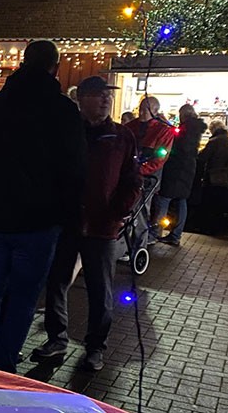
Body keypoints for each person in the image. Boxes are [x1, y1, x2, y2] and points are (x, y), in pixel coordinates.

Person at [0, 40, 86, 373]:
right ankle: (4, 363)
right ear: (55, 68)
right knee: (23, 296)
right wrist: (70, 217)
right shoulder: (62, 110)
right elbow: (74, 170)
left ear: (22, 63)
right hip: (39, 221)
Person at [33, 76, 141, 372]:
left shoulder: (121, 136)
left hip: (102, 226)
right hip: (66, 223)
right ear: (80, 99)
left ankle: (95, 347)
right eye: (98, 94)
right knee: (56, 282)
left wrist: (117, 212)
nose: (106, 99)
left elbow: (133, 179)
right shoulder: (66, 133)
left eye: (108, 94)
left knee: (100, 289)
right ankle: (57, 338)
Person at [150, 105, 207, 246]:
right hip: (188, 170)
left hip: (176, 169)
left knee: (164, 199)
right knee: (182, 201)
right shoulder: (194, 128)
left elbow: (178, 143)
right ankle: (176, 234)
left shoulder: (186, 129)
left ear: (183, 115)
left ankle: (155, 233)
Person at [123, 96, 175, 251]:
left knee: (141, 210)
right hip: (129, 174)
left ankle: (138, 246)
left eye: (146, 109)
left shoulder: (163, 130)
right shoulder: (131, 127)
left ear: (155, 111)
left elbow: (159, 159)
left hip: (147, 178)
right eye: (140, 108)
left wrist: (139, 169)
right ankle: (123, 244)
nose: (141, 112)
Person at [195, 121, 228, 234]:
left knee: (209, 203)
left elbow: (203, 157)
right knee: (219, 204)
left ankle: (207, 227)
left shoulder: (214, 141)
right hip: (225, 177)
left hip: (212, 176)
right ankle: (217, 228)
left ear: (213, 129)